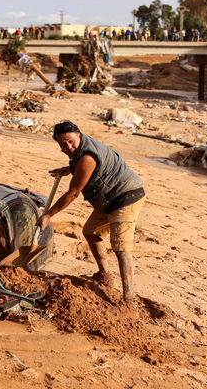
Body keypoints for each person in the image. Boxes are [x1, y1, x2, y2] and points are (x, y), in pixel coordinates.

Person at [38, 122, 145, 304]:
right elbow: (82, 169)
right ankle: (104, 275)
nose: (68, 147)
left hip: (126, 197)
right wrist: (69, 169)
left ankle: (128, 299)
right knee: (90, 232)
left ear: (79, 135)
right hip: (108, 199)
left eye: (71, 141)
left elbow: (73, 193)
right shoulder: (81, 151)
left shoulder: (87, 157)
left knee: (121, 248)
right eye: (63, 144)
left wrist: (48, 215)